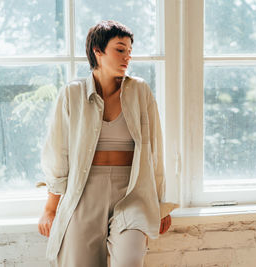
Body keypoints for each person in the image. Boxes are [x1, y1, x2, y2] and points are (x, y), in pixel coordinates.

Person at [36, 20, 179, 267]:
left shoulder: (140, 90)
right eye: (120, 49)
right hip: (84, 192)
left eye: (130, 52)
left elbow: (154, 152)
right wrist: (51, 207)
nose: (127, 57)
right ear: (98, 51)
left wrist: (159, 204)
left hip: (132, 193)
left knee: (129, 261)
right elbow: (58, 153)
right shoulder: (72, 93)